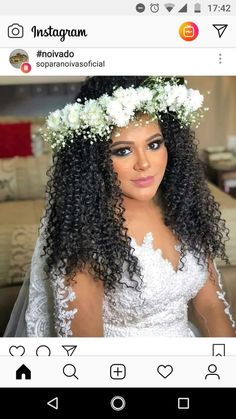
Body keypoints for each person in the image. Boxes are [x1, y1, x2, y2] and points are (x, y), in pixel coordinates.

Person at [4, 76, 236, 337]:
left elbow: (212, 305)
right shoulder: (86, 233)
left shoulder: (183, 208)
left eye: (154, 144)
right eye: (123, 151)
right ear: (95, 158)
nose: (144, 163)